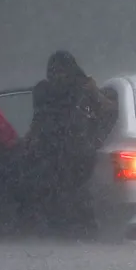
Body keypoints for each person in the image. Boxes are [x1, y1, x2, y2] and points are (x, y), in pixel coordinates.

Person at [20, 50, 117, 234]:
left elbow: (109, 111)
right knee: (52, 197)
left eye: (61, 71)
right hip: (51, 154)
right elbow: (37, 121)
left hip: (75, 155)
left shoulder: (82, 88)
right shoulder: (44, 91)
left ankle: (76, 229)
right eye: (54, 71)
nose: (58, 76)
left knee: (75, 198)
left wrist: (94, 92)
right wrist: (27, 142)